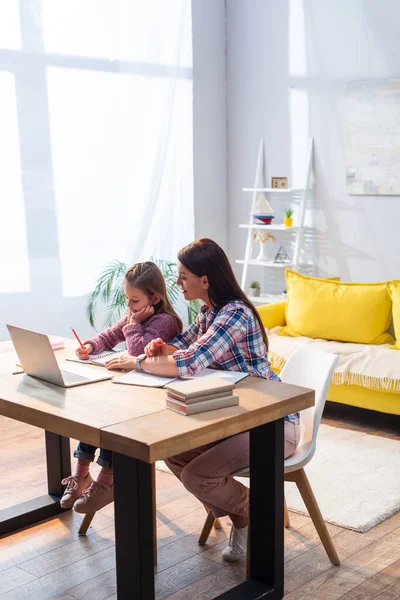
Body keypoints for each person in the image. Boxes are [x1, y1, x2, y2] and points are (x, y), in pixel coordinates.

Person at [106, 239, 300, 562]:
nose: (178, 283)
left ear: (205, 280)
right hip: (232, 419)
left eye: (183, 276)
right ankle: (242, 516)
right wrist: (160, 347)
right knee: (173, 454)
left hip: (271, 424)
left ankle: (252, 508)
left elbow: (190, 362)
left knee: (196, 475)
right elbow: (183, 344)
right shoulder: (210, 311)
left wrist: (137, 362)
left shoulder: (234, 314)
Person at [60, 261, 182, 513]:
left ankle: (107, 481)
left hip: (153, 402)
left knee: (113, 419)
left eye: (134, 300)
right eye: (127, 299)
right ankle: (81, 474)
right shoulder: (134, 315)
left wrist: (135, 323)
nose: (129, 306)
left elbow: (137, 350)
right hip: (131, 389)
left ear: (155, 298)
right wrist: (91, 346)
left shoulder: (165, 322)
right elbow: (109, 335)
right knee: (95, 413)